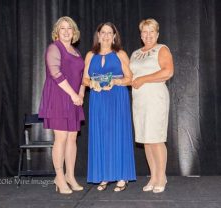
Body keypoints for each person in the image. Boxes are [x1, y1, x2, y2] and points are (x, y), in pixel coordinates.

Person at [82, 22, 136, 192]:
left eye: (109, 32)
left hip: (117, 97)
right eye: (102, 32)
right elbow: (84, 79)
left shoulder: (120, 54)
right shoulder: (90, 55)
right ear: (98, 35)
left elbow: (130, 78)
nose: (105, 35)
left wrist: (115, 81)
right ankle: (104, 175)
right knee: (101, 134)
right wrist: (92, 84)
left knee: (118, 133)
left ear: (114, 36)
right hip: (98, 99)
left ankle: (122, 176)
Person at [38, 16, 85, 194]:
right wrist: (73, 94)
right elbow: (56, 73)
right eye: (62, 28)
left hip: (74, 99)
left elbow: (81, 76)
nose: (66, 31)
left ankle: (70, 176)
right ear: (57, 32)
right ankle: (59, 176)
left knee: (72, 138)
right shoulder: (54, 48)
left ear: (74, 32)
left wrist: (80, 93)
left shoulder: (75, 51)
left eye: (69, 28)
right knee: (62, 138)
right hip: (58, 96)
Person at [129, 18, 174, 193]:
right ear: (141, 35)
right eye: (144, 32)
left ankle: (161, 177)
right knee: (146, 140)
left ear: (157, 34)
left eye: (151, 32)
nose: (148, 35)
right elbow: (130, 77)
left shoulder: (161, 49)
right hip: (139, 100)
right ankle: (153, 176)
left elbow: (168, 71)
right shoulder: (135, 53)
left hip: (156, 98)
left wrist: (143, 79)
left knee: (156, 138)